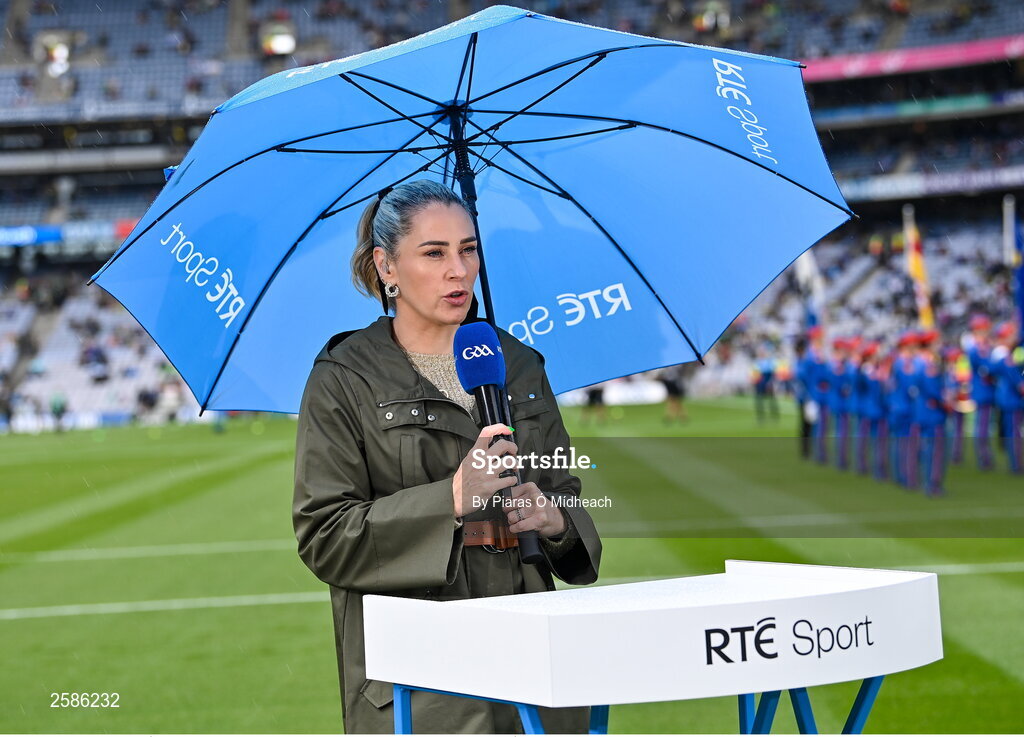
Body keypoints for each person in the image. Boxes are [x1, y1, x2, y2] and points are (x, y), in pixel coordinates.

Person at [292, 180, 602, 734]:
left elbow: (570, 501)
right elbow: (325, 536)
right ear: (386, 266)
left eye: (468, 249)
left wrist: (553, 519)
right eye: (434, 253)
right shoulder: (344, 377)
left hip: (535, 659)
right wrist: (452, 499)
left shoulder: (519, 363)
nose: (458, 270)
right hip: (423, 678)